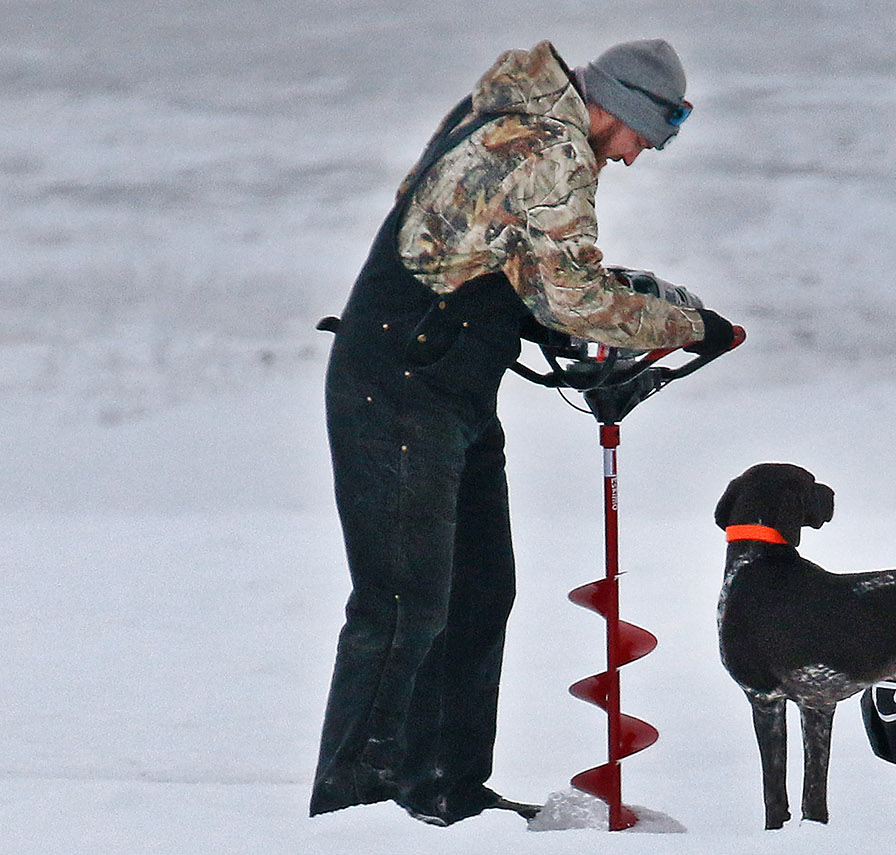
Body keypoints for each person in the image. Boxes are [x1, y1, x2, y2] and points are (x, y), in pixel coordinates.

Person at [310, 38, 738, 825]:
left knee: (477, 593)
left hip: (448, 387)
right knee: (401, 605)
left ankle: (445, 793)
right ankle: (353, 814)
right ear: (619, 106)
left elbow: (490, 257)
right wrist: (688, 324)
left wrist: (544, 315)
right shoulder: (549, 146)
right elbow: (571, 293)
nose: (638, 158)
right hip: (401, 389)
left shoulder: (506, 118)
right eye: (645, 138)